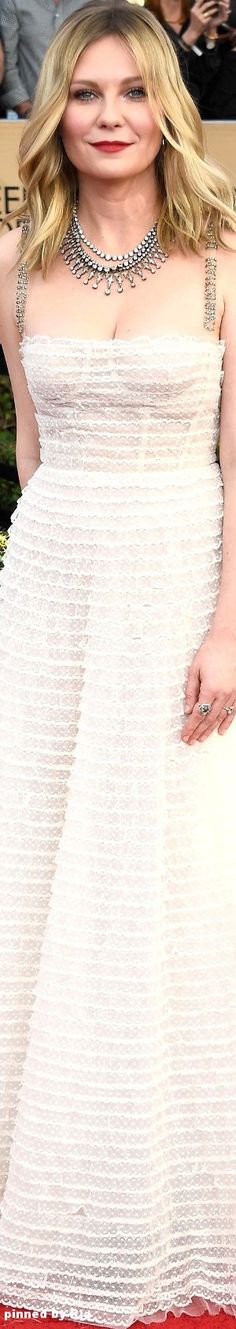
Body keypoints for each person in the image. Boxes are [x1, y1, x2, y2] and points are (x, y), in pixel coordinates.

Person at [0, 0, 236, 1321]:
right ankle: (42, 1171)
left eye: (129, 93)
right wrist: (39, 578)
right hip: (55, 583)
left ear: (164, 111)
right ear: (58, 115)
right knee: (39, 862)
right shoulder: (15, 254)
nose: (104, 114)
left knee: (165, 867)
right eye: (81, 93)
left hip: (176, 580)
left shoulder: (222, 266)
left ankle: (155, 1179)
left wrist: (228, 626)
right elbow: (30, 451)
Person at [0, 0, 90, 118]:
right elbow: (7, 63)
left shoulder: (98, 2)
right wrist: (27, 109)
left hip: (86, 113)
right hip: (30, 118)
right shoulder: (12, 2)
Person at [144, 0, 236, 114]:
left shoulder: (196, 18)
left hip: (204, 114)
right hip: (168, 113)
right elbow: (162, 76)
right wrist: (192, 33)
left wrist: (211, 31)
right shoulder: (143, 22)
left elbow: (207, 80)